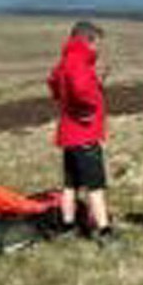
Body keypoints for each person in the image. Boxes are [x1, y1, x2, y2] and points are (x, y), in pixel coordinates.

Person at [47, 20, 115, 247]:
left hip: (69, 135)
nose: (98, 49)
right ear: (87, 40)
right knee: (95, 186)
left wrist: (96, 81)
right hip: (85, 135)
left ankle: (67, 227)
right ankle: (105, 233)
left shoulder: (66, 60)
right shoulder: (78, 61)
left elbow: (54, 82)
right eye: (96, 43)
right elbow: (79, 89)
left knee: (70, 185)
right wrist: (86, 108)